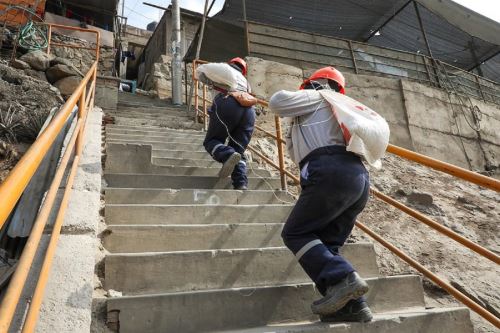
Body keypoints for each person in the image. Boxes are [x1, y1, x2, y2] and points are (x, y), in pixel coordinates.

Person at [268, 67, 373, 323]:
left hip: (329, 171)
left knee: (296, 232)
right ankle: (353, 307)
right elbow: (296, 152)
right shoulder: (340, 109)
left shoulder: (320, 96)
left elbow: (277, 101)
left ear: (320, 84)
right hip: (357, 177)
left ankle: (344, 277)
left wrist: (312, 93)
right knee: (327, 245)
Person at [202, 57, 255, 190]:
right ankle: (241, 183)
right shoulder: (246, 83)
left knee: (212, 141)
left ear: (230, 63)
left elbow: (201, 73)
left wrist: (207, 80)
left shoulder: (224, 71)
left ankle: (227, 154)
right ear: (244, 70)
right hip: (249, 111)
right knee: (239, 150)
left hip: (228, 103)